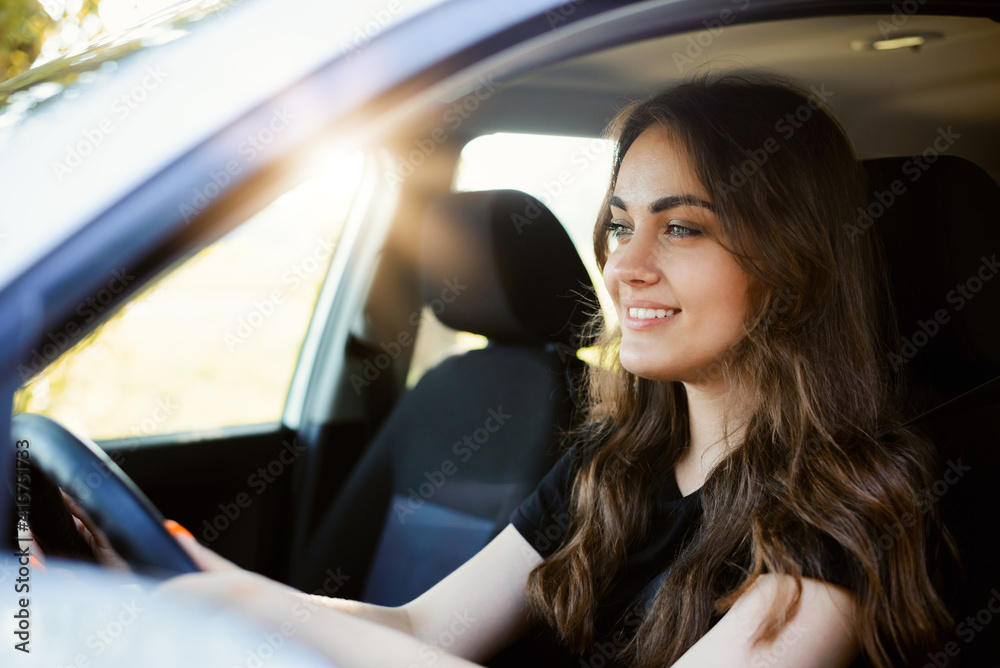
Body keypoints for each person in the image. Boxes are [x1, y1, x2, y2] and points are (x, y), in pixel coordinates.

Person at [92, 72, 958, 667]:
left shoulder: (849, 510)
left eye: (683, 227)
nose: (625, 267)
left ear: (791, 260)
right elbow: (424, 627)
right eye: (620, 225)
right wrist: (202, 583)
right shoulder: (613, 462)